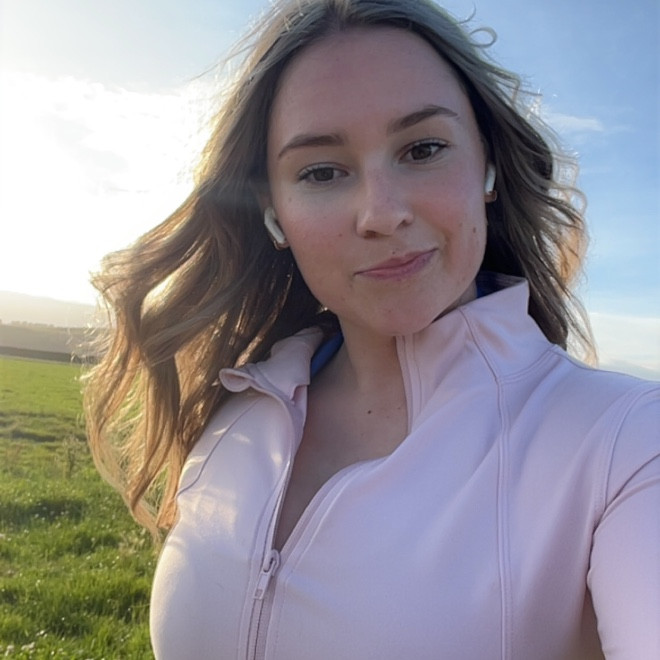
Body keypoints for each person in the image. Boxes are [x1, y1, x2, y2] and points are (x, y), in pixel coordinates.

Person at [83, 0, 660, 658]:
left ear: (488, 165)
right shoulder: (237, 406)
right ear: (274, 211)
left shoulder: (626, 444)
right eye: (322, 172)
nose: (381, 214)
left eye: (423, 149)